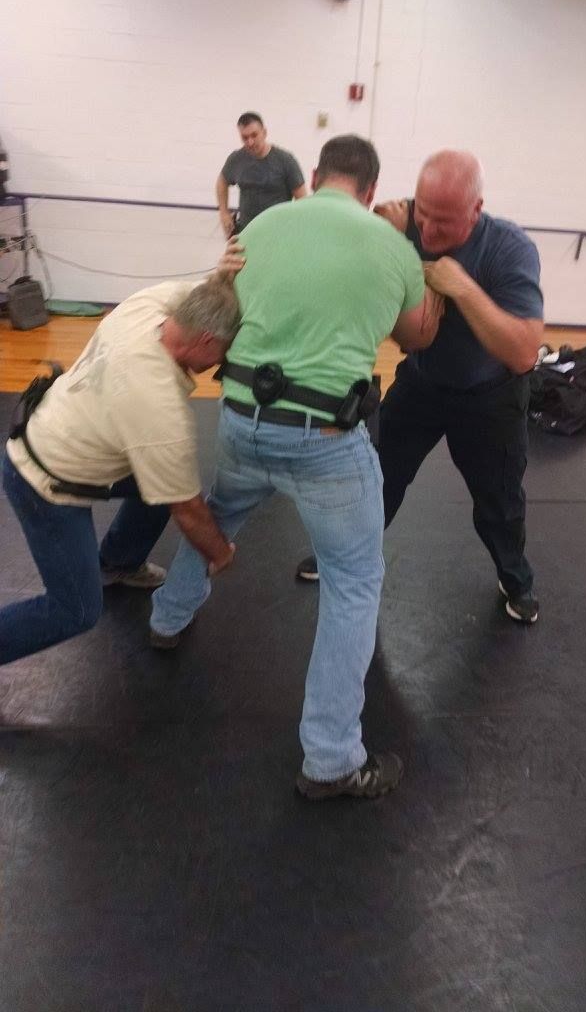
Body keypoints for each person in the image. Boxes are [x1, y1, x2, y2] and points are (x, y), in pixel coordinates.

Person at [150, 135, 443, 800]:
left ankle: (168, 620)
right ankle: (333, 759)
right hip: (324, 441)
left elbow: (223, 295)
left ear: (313, 175)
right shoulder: (391, 245)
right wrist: (416, 255)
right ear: (372, 189)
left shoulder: (265, 222)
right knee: (353, 581)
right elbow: (418, 335)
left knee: (219, 516)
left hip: (241, 418)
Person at [296, 150, 544, 623]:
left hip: (491, 395)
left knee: (499, 501)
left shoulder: (508, 248)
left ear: (476, 209)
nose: (428, 232)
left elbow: (524, 353)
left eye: (444, 224)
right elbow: (342, 268)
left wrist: (464, 288)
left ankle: (516, 578)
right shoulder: (400, 220)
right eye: (422, 213)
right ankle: (343, 557)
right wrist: (381, 235)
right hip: (422, 382)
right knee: (376, 476)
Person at [0, 274, 239, 664]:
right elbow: (189, 510)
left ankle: (119, 561)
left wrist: (226, 276)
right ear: (207, 342)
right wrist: (220, 553)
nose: (220, 364)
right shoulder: (161, 409)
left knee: (164, 479)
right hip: (42, 484)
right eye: (223, 354)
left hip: (61, 432)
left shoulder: (149, 306)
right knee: (75, 610)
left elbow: (202, 290)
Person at [216, 111, 306, 238]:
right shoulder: (236, 159)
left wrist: (297, 230)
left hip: (278, 234)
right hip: (247, 232)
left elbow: (302, 199)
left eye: (254, 135)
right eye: (245, 137)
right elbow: (222, 182)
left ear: (264, 132)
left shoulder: (285, 160)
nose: (250, 142)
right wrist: (224, 213)